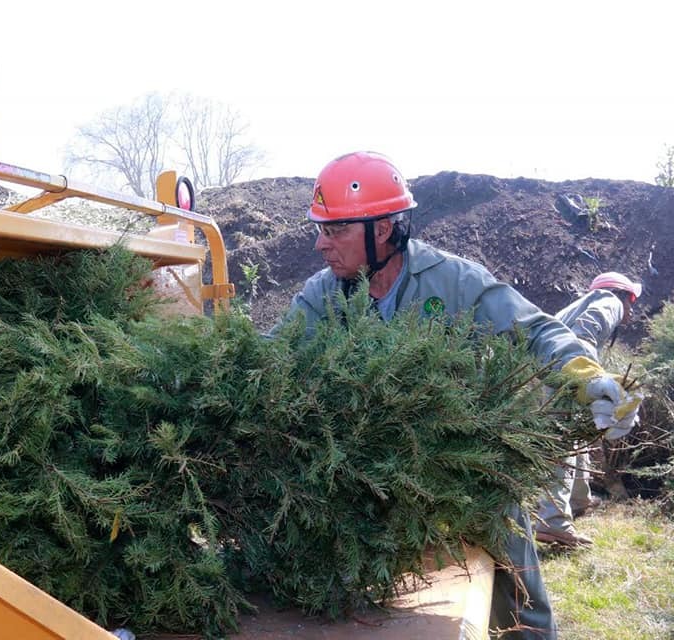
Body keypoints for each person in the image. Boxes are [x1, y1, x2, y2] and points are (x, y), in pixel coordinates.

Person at [270, 152, 642, 640]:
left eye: (335, 230)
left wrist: (586, 378)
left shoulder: (454, 281)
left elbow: (535, 331)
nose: (321, 244)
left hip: (468, 474)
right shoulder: (322, 295)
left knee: (517, 600)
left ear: (381, 229)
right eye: (321, 229)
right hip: (372, 483)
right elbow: (271, 354)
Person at [534, 272, 642, 547]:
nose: (631, 310)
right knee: (564, 445)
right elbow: (584, 333)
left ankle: (578, 501)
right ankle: (553, 523)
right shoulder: (610, 301)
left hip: (547, 374)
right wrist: (592, 380)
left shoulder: (571, 308)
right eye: (632, 302)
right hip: (567, 374)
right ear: (624, 295)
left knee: (574, 439)